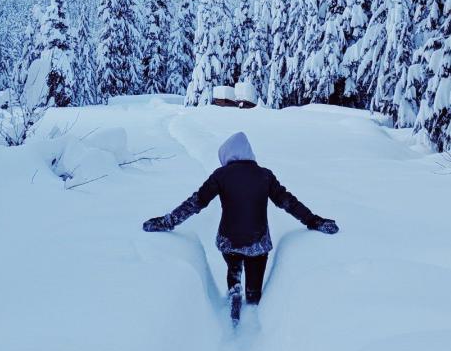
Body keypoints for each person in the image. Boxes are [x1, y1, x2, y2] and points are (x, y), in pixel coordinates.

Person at [143, 132, 338, 309]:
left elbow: (196, 202)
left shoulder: (221, 175)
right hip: (258, 242)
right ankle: (252, 307)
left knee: (233, 266)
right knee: (254, 288)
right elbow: (288, 202)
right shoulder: (265, 175)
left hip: (228, 240)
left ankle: (234, 290)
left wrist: (168, 221)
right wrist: (314, 221)